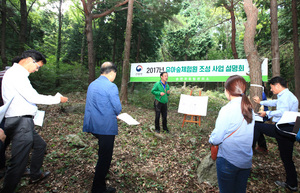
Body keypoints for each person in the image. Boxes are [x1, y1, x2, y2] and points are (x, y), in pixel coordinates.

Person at [0, 50, 68, 193]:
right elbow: (33, 97)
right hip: (21, 123)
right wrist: (57, 99)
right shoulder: (17, 75)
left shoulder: (16, 74)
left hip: (21, 121)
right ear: (30, 60)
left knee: (40, 145)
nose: (37, 70)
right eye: (37, 67)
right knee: (18, 163)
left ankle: (35, 174)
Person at [209, 75, 255, 193]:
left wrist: (211, 138)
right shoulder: (249, 108)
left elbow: (217, 138)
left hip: (228, 160)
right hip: (245, 160)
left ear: (227, 91)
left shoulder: (227, 109)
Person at [252, 76, 298, 191]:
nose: (271, 90)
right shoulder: (286, 95)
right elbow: (275, 102)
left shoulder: (286, 96)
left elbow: (282, 112)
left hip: (283, 130)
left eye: (272, 87)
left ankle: (249, 149)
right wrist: (261, 101)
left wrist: (266, 113)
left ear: (277, 85)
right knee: (286, 158)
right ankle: (292, 184)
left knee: (257, 126)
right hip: (289, 130)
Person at [83, 62, 122, 193]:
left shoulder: (92, 84)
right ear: (112, 72)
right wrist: (116, 113)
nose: (114, 77)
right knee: (105, 158)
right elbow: (118, 108)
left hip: (93, 125)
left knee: (102, 153)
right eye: (115, 75)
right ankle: (98, 189)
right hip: (105, 127)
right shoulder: (111, 86)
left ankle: (98, 185)